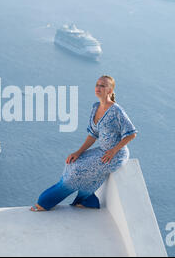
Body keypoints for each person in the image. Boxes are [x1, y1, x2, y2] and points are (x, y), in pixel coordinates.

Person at [30, 75, 138, 211]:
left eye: (102, 86)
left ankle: (45, 202)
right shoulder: (95, 107)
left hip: (116, 155)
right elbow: (93, 135)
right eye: (97, 85)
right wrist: (78, 152)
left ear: (110, 90)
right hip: (102, 151)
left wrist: (113, 151)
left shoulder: (116, 111)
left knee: (77, 171)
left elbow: (132, 133)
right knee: (72, 163)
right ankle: (87, 200)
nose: (98, 88)